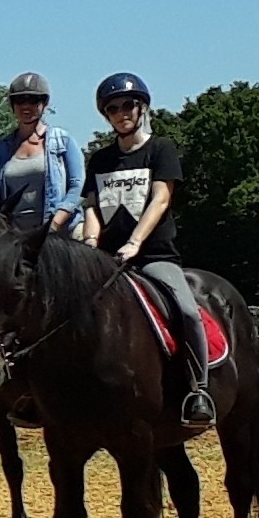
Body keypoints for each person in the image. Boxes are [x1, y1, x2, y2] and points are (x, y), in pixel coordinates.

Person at [82, 76, 212, 430]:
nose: (121, 113)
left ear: (141, 108)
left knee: (186, 309)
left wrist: (135, 242)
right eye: (113, 108)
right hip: (108, 259)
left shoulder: (161, 149)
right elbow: (92, 206)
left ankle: (198, 389)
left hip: (154, 255)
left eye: (128, 105)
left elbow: (161, 199)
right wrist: (91, 243)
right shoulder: (100, 160)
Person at [0, 72, 83, 234]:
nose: (26, 106)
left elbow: (77, 186)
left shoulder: (63, 141)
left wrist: (55, 223)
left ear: (45, 104)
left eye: (33, 100)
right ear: (12, 104)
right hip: (13, 233)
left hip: (60, 230)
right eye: (20, 100)